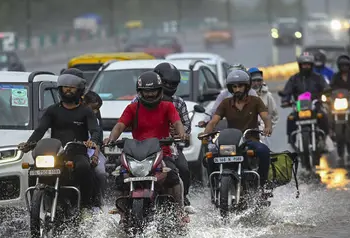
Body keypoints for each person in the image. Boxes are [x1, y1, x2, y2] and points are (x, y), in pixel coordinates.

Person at [103, 71, 187, 218]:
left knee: (174, 176)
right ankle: (121, 209)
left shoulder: (168, 107)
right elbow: (119, 126)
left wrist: (181, 134)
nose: (150, 95)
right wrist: (111, 138)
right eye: (146, 92)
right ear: (140, 92)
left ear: (160, 91)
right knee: (119, 176)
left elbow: (177, 122)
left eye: (153, 91)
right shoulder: (132, 108)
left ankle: (180, 212)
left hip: (161, 153)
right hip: (135, 154)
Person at [18, 68, 102, 209]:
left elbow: (95, 130)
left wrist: (92, 141)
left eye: (72, 87)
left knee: (84, 167)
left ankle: (85, 207)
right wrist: (29, 144)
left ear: (80, 89)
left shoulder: (85, 111)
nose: (68, 90)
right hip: (56, 153)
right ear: (60, 88)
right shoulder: (52, 110)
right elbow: (40, 130)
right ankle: (34, 207)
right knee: (33, 170)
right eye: (65, 87)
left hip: (77, 153)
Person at [130, 62, 193, 211]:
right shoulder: (136, 103)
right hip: (142, 148)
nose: (169, 87)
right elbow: (124, 122)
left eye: (173, 84)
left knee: (183, 169)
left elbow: (186, 127)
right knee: (122, 173)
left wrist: (179, 133)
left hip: (167, 146)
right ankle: (125, 204)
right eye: (166, 83)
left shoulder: (177, 103)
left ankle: (182, 200)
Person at [198, 70, 273, 188]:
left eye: (240, 86)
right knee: (210, 156)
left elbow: (265, 116)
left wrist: (268, 127)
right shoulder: (225, 103)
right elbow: (213, 121)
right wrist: (205, 133)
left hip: (250, 140)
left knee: (264, 151)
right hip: (231, 141)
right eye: (234, 86)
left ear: (247, 86)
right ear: (230, 88)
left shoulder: (256, 101)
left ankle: (263, 186)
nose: (237, 89)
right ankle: (214, 187)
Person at [280, 51, 330, 139]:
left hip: (315, 105)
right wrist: (285, 100)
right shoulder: (294, 78)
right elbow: (287, 91)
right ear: (300, 65)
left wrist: (327, 95)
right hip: (299, 107)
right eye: (304, 64)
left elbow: (326, 88)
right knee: (290, 119)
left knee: (323, 116)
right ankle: (291, 138)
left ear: (312, 65)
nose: (306, 66)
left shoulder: (318, 77)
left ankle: (325, 137)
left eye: (308, 64)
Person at [83, 89, 107, 203]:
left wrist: (95, 156)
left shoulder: (96, 121)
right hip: (78, 151)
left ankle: (100, 200)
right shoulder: (77, 118)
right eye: (92, 108)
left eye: (97, 109)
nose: (95, 111)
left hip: (93, 152)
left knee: (100, 172)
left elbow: (97, 141)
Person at [248, 67, 279, 147]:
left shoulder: (267, 96)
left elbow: (274, 115)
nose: (256, 83)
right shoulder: (243, 96)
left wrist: (268, 128)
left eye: (259, 81)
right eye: (254, 81)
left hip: (262, 134)